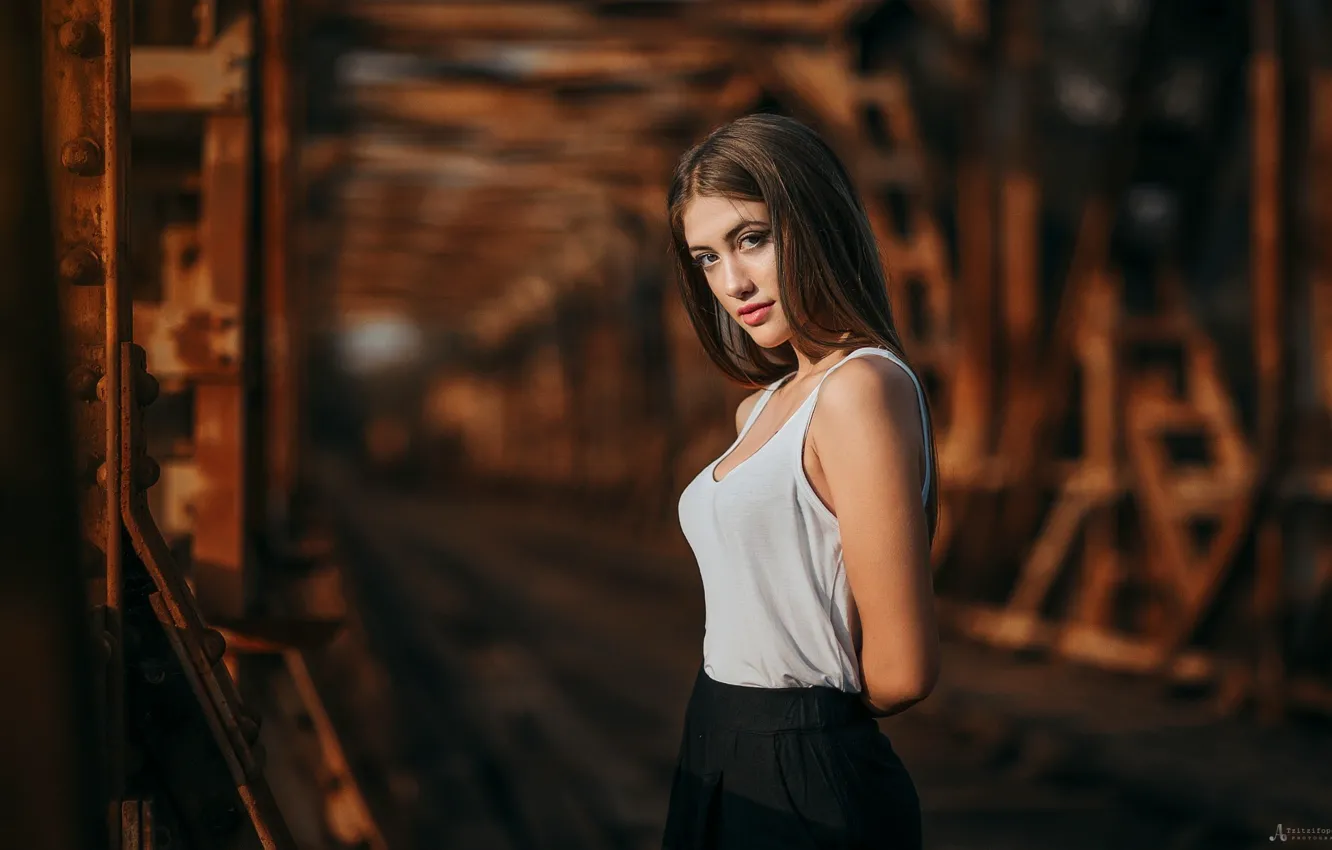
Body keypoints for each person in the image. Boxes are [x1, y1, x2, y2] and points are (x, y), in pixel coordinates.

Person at [662, 113, 941, 849]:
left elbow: (903, 670)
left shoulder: (859, 389)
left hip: (801, 762)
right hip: (716, 740)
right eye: (706, 258)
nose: (732, 282)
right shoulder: (759, 405)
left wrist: (801, 721)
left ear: (813, 222)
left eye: (752, 238)